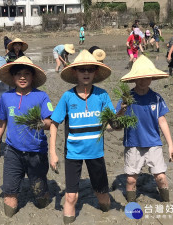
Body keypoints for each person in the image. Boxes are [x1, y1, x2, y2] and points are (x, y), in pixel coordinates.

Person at [49, 50, 120, 224]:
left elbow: (110, 125)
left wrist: (121, 116)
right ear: (75, 72)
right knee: (71, 197)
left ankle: (108, 215)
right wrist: (53, 152)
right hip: (73, 153)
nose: (86, 73)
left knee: (102, 195)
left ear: (95, 72)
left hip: (96, 153)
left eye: (90, 69)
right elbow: (54, 123)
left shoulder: (102, 95)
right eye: (82, 69)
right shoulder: (68, 96)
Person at [0, 56, 53, 218]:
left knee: (40, 198)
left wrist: (39, 123)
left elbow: (49, 122)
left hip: (36, 152)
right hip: (13, 152)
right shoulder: (6, 97)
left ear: (33, 77)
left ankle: (42, 193)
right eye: (18, 74)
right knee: (10, 198)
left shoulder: (41, 96)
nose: (22, 77)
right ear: (13, 77)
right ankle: (11, 201)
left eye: (26, 74)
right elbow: (1, 123)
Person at [116, 55, 173, 203]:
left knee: (160, 177)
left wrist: (170, 145)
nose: (143, 81)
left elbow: (162, 121)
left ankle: (166, 201)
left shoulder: (156, 98)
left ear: (152, 79)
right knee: (130, 179)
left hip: (153, 143)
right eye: (140, 78)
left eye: (147, 78)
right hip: (133, 143)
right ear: (134, 78)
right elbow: (117, 122)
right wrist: (121, 110)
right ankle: (131, 204)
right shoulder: (127, 98)